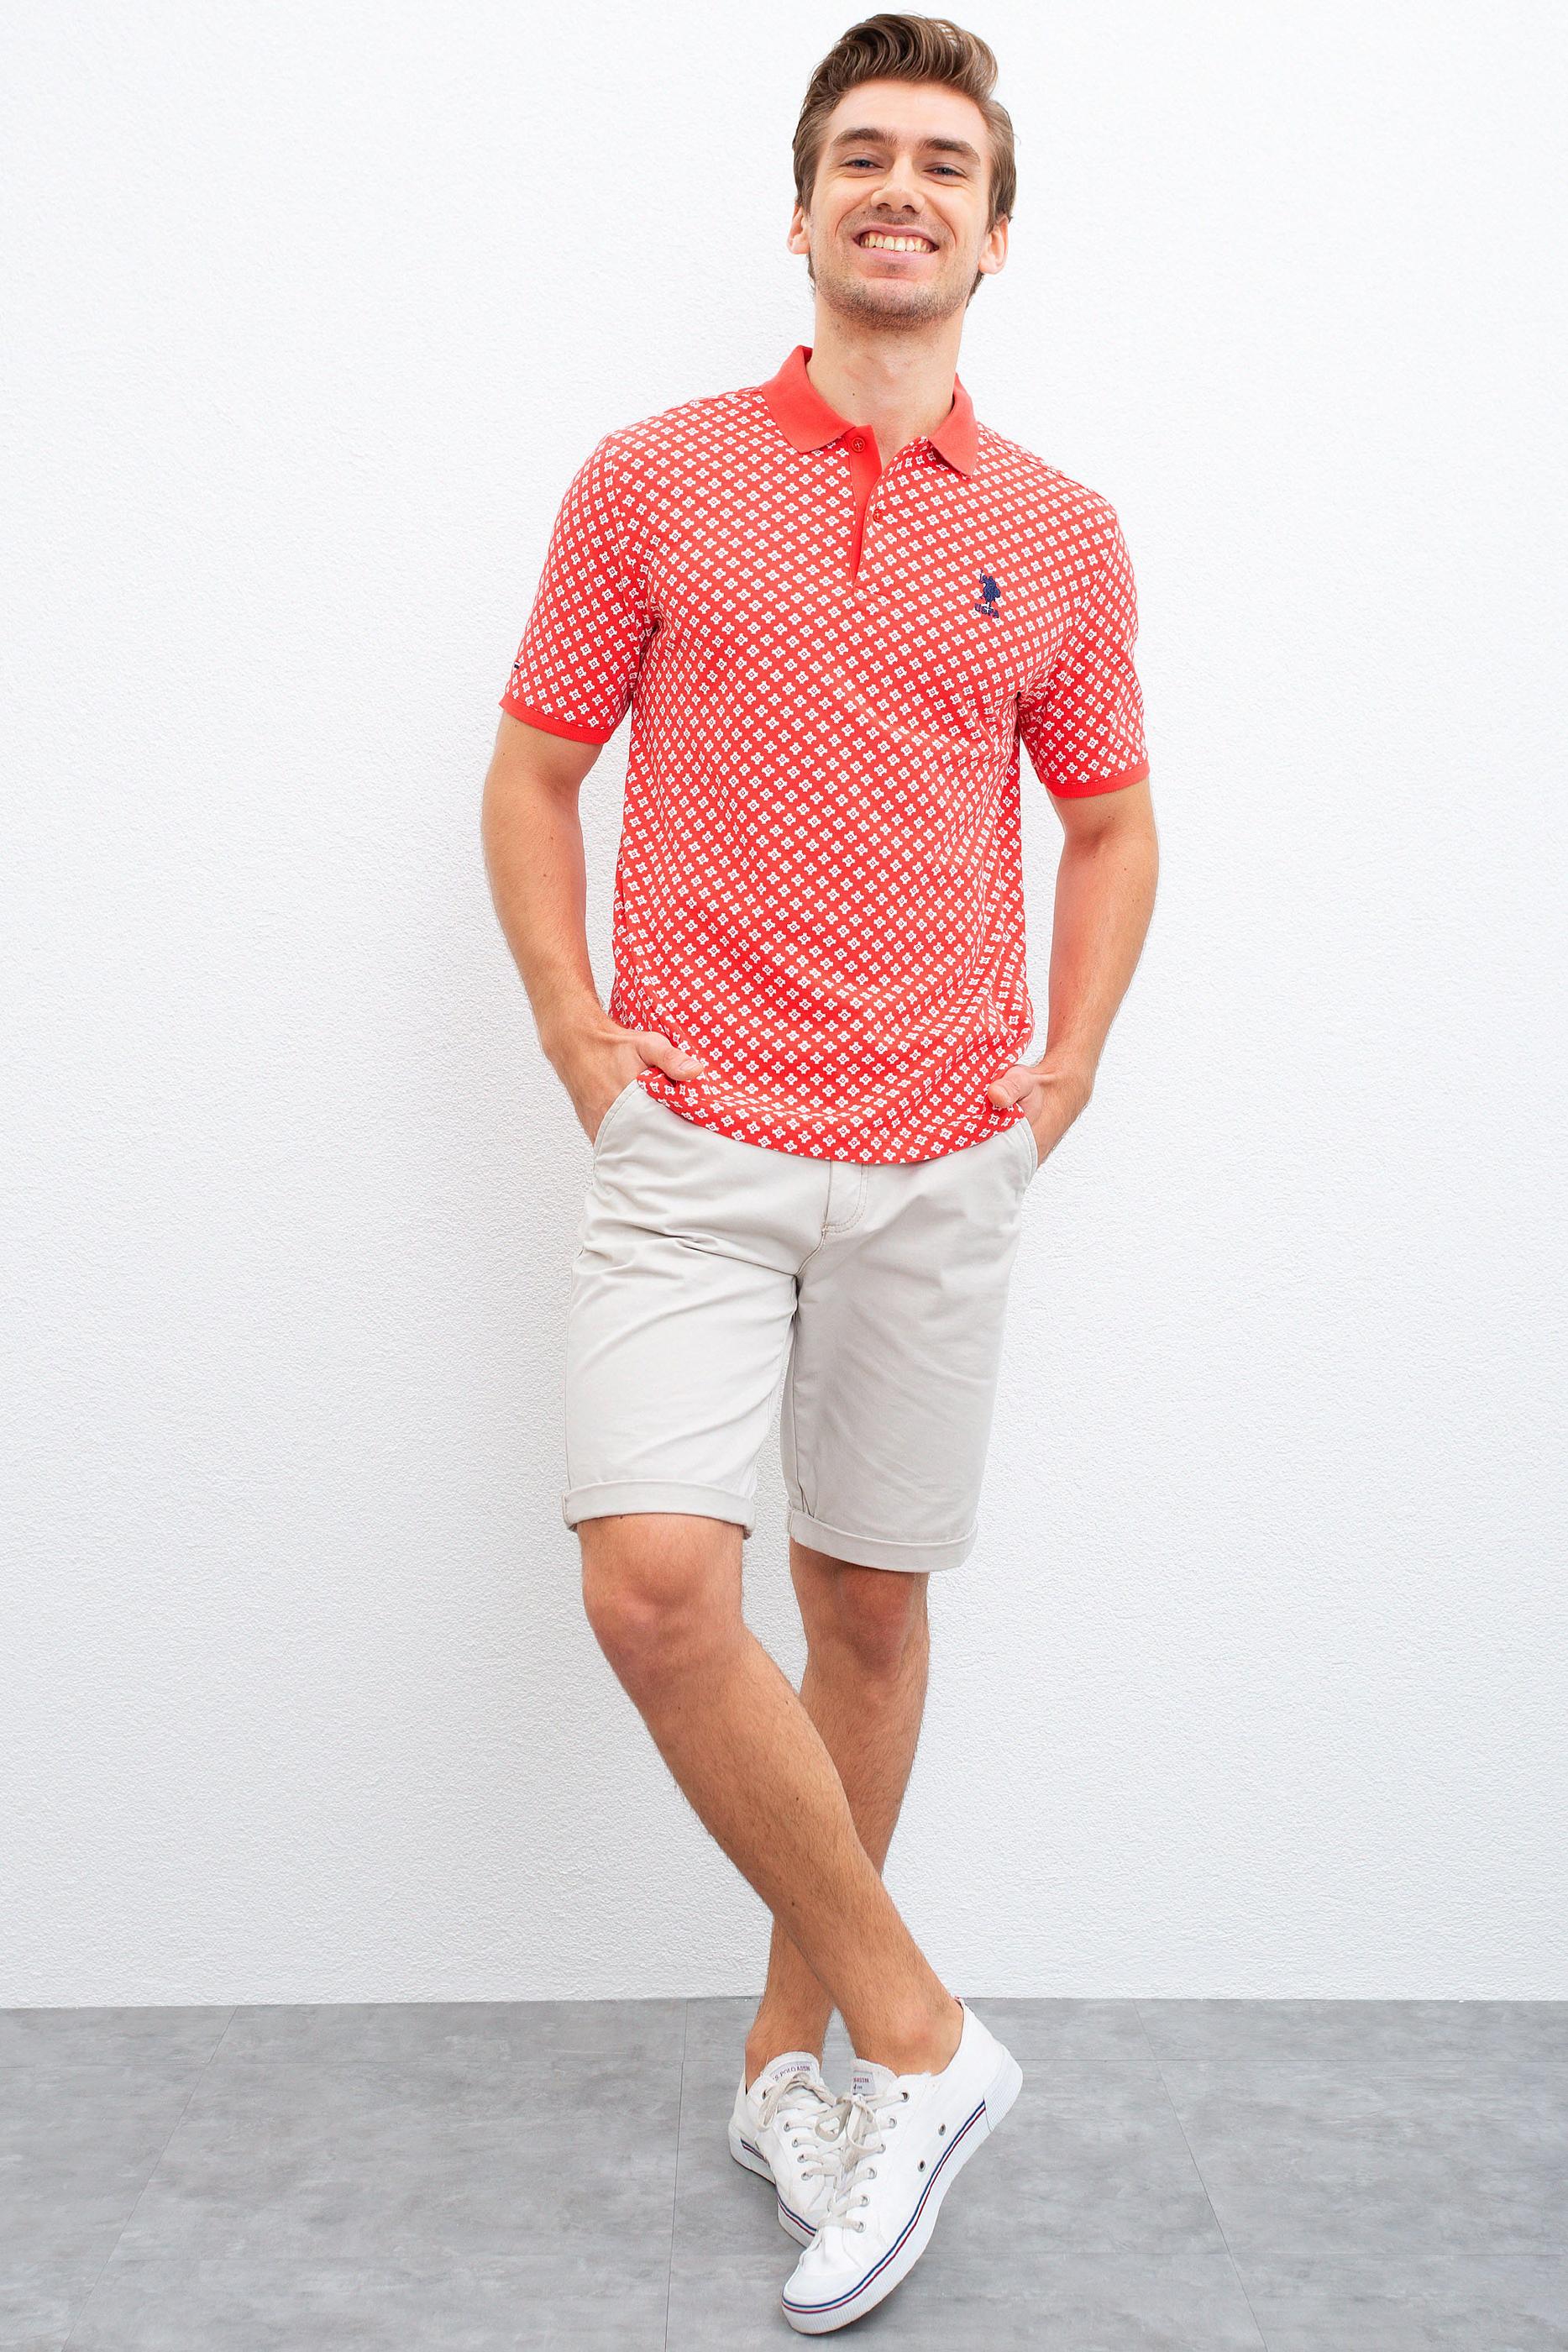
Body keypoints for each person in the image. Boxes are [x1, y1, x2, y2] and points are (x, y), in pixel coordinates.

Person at [480, 11, 1156, 2333]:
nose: (900, 190)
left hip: (940, 1160)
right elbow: (534, 770)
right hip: (691, 1145)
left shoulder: (1059, 532)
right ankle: (927, 2038)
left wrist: (1058, 1076)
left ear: (993, 233)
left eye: (943, 165)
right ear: (798, 211)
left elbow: (1109, 822)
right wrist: (577, 1033)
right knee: (658, 1588)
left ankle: (805, 2071)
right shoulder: (654, 476)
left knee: (868, 1607)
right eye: (861, 155)